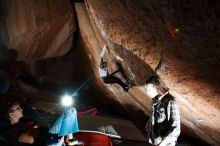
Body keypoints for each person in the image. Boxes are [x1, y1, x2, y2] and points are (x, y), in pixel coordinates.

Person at [2, 101, 84, 146]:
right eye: (18, 108)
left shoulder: (23, 122)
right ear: (11, 114)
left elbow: (35, 130)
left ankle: (70, 140)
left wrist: (35, 127)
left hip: (51, 134)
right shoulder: (12, 132)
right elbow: (33, 140)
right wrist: (36, 128)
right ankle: (70, 140)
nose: (21, 109)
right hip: (49, 140)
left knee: (71, 110)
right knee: (69, 111)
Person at [145, 77, 180, 146]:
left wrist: (162, 144)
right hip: (153, 142)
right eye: (146, 90)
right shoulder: (154, 100)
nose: (146, 92)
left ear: (157, 88)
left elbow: (175, 129)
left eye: (149, 90)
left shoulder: (171, 102)